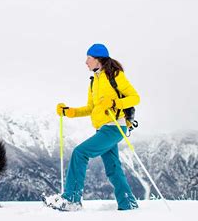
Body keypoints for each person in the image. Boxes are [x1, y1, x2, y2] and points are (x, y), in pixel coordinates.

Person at [44, 43, 140, 211]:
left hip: (115, 126)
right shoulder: (93, 82)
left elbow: (135, 98)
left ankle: (72, 199)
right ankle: (128, 203)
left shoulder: (115, 75)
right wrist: (69, 112)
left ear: (98, 59)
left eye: (88, 58)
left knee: (80, 153)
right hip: (103, 128)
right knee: (113, 168)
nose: (86, 62)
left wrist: (114, 102)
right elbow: (91, 108)